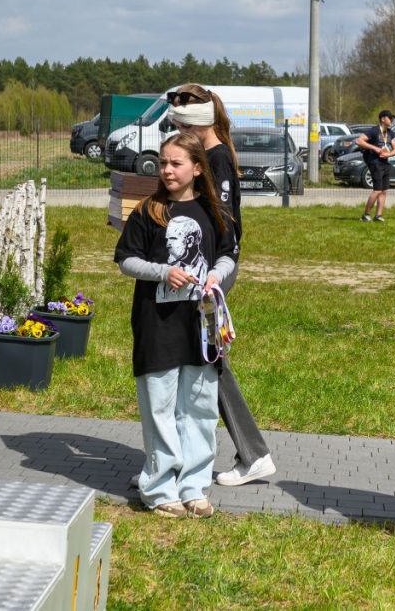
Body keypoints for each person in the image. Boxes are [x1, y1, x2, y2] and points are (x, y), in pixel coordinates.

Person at [114, 132, 236, 518]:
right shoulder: (148, 211)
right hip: (157, 325)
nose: (166, 170)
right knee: (160, 408)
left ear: (197, 168)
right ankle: (159, 489)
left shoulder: (214, 211)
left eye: (176, 163)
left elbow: (228, 255)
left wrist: (217, 275)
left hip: (201, 327)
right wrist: (163, 272)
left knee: (200, 407)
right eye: (164, 162)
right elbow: (126, 260)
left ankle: (193, 487)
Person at [167, 83, 277, 487]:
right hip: (204, 268)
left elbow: (223, 224)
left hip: (212, 272)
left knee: (208, 359)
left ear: (199, 122)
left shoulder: (216, 159)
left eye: (182, 126)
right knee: (192, 359)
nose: (178, 134)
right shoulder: (214, 153)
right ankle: (173, 459)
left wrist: (212, 272)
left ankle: (253, 453)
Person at [356, 110, 395, 222]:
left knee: (384, 191)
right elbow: (359, 141)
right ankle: (366, 215)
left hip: (385, 163)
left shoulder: (390, 133)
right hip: (375, 163)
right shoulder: (374, 131)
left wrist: (389, 154)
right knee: (377, 190)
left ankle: (378, 215)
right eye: (390, 118)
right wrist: (375, 148)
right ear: (383, 119)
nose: (391, 120)